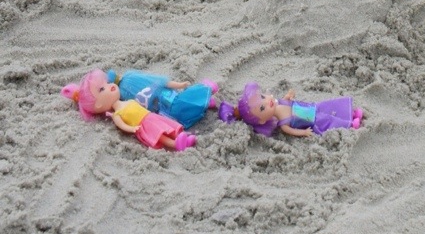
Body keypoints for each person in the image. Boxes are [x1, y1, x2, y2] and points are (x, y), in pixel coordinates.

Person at [61, 69, 197, 151]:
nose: (110, 86)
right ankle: (176, 144)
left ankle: (182, 137)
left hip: (150, 116)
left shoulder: (126, 100)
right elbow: (121, 124)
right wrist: (131, 128)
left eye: (106, 83)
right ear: (98, 105)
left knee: (167, 126)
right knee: (160, 134)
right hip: (144, 124)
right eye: (102, 89)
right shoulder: (116, 114)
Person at [217, 83, 363, 137]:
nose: (267, 101)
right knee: (328, 120)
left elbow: (287, 101)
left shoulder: (280, 102)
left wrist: (289, 96)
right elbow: (292, 131)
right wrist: (304, 132)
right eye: (262, 107)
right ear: (262, 120)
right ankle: (350, 124)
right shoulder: (283, 123)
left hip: (312, 107)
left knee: (329, 107)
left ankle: (350, 113)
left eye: (262, 97)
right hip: (311, 120)